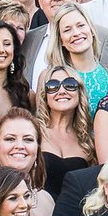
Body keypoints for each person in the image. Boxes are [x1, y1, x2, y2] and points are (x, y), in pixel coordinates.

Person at [36, 67, 98, 200]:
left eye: (70, 84)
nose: (62, 91)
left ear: (79, 92)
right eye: (53, 86)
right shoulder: (33, 132)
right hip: (39, 214)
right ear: (45, 95)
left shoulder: (88, 141)